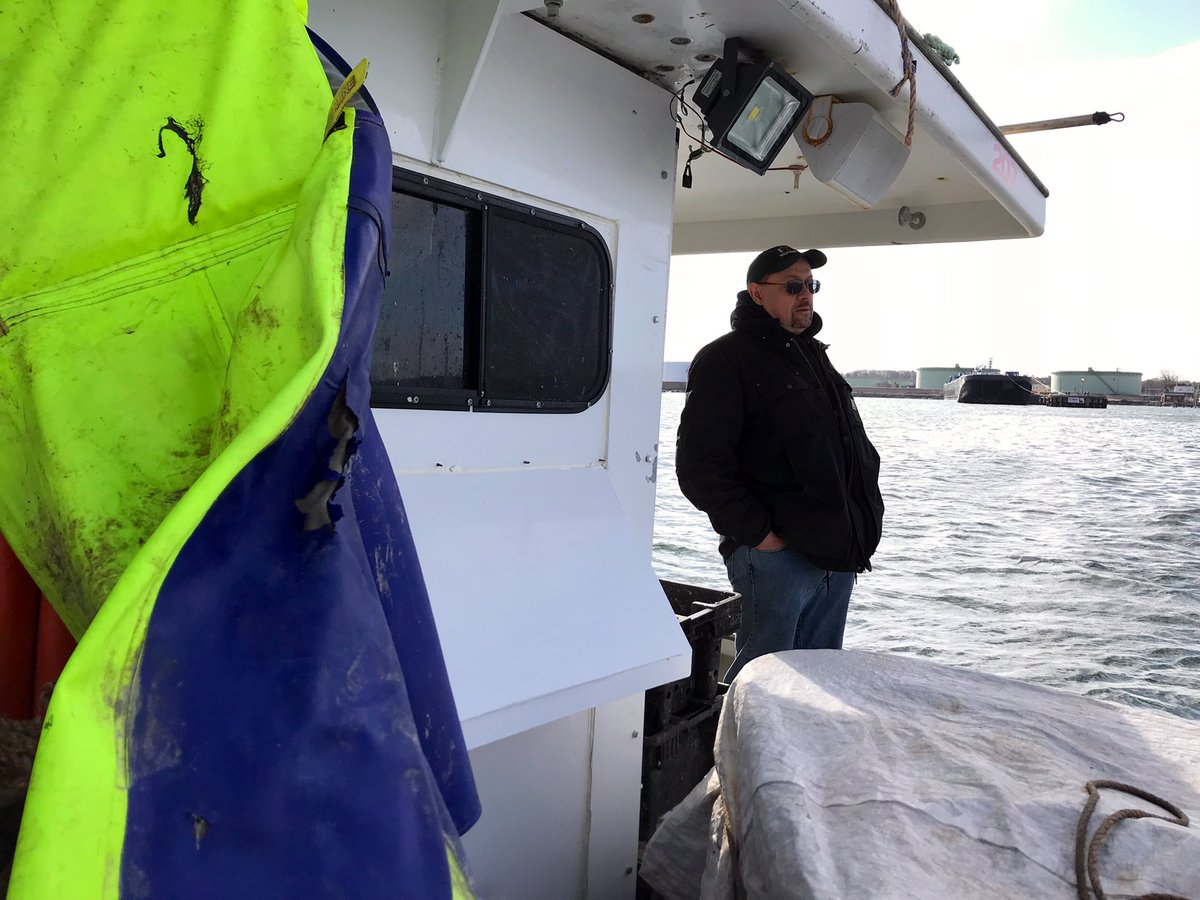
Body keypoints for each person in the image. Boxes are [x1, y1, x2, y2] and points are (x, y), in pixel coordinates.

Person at [675, 245, 884, 683]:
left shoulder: (814, 356)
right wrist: (762, 538)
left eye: (811, 285)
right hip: (777, 560)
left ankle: (802, 756)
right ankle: (737, 753)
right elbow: (700, 468)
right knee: (762, 683)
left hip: (837, 555)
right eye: (792, 286)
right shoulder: (724, 359)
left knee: (821, 684)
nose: (805, 294)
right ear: (756, 293)